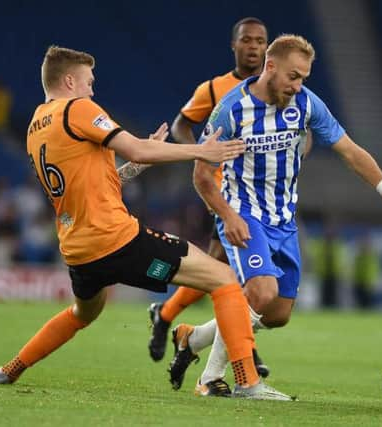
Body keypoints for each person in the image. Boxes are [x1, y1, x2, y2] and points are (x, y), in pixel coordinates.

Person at [0, 45, 292, 400]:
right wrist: (201, 151)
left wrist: (135, 169)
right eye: (88, 82)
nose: (92, 90)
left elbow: (91, 186)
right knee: (225, 281)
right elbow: (136, 147)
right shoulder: (77, 108)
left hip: (78, 249)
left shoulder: (36, 124)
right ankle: (247, 382)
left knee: (82, 313)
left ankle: (10, 370)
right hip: (116, 239)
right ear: (69, 81)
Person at [168, 34, 382, 395]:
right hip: (243, 213)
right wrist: (228, 216)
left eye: (303, 78)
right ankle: (222, 381)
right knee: (261, 291)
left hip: (283, 220)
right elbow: (202, 175)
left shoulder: (305, 103)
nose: (298, 85)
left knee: (277, 314)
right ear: (271, 66)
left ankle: (191, 339)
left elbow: (348, 150)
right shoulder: (231, 109)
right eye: (293, 76)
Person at [146, 17, 272, 393]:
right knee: (245, 280)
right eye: (246, 40)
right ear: (234, 46)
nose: (253, 47)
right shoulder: (215, 89)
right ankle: (236, 355)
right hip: (225, 195)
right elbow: (181, 124)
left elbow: (300, 133)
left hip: (260, 196)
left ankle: (173, 321)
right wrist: (204, 155)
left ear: (268, 47)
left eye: (260, 41)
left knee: (220, 267)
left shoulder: (277, 88)